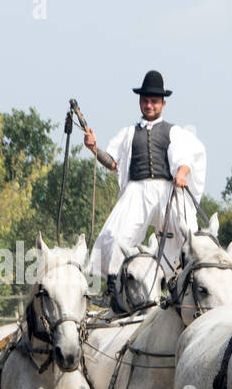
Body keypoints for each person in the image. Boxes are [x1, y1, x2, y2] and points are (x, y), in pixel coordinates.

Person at [83, 71, 206, 311]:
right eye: (146, 100)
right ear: (140, 101)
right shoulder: (129, 133)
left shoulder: (174, 131)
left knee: (189, 234)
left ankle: (195, 285)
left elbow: (186, 157)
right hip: (137, 191)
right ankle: (113, 292)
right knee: (114, 237)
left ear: (162, 103)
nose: (149, 105)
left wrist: (181, 173)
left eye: (154, 101)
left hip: (167, 190)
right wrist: (94, 148)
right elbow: (113, 163)